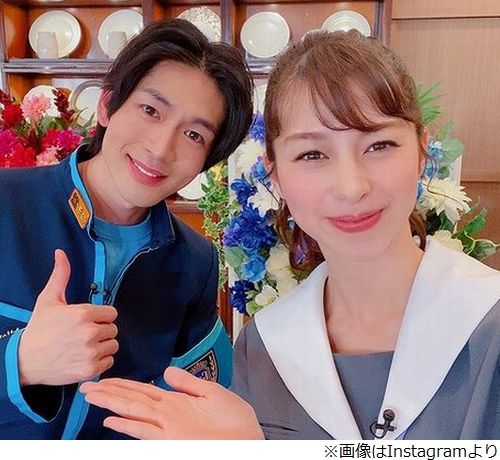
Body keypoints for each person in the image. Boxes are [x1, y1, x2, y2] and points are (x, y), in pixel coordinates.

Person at [80, 30, 500, 440]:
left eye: (379, 145)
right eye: (312, 154)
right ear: (275, 174)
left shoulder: (487, 320)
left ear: (422, 151)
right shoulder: (265, 348)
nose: (351, 187)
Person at [0, 18, 253, 439]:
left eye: (193, 134)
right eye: (150, 110)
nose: (160, 148)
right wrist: (19, 361)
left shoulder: (195, 261)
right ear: (107, 105)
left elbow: (202, 394)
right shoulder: (7, 204)